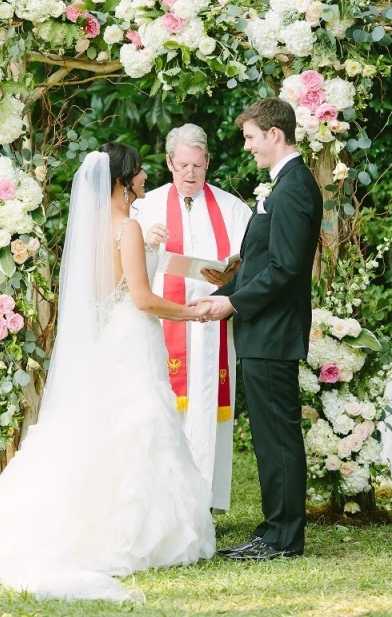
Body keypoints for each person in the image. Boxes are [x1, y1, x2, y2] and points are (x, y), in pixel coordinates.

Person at [0, 144, 215, 602]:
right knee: (138, 426)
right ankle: (129, 528)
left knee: (111, 432)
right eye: (138, 173)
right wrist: (193, 313)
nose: (144, 179)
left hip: (111, 340)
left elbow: (109, 293)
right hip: (133, 338)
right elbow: (142, 298)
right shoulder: (130, 227)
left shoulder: (98, 232)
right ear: (123, 182)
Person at [197, 99, 322, 560]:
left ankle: (281, 539)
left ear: (274, 134)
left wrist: (233, 302)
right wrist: (227, 287)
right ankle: (274, 531)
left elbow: (287, 267)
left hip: (273, 330)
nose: (247, 146)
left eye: (251, 136)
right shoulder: (284, 184)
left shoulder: (292, 188)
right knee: (272, 437)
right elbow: (266, 262)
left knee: (278, 438)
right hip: (265, 328)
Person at [134, 124, 251, 512]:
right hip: (162, 325)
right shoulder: (144, 207)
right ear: (169, 162)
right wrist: (147, 244)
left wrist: (231, 276)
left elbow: (246, 265)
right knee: (163, 409)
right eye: (182, 165)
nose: (189, 173)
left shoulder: (233, 209)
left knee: (207, 410)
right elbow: (128, 273)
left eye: (197, 166)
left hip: (215, 327)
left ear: (207, 164)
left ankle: (205, 502)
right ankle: (164, 503)